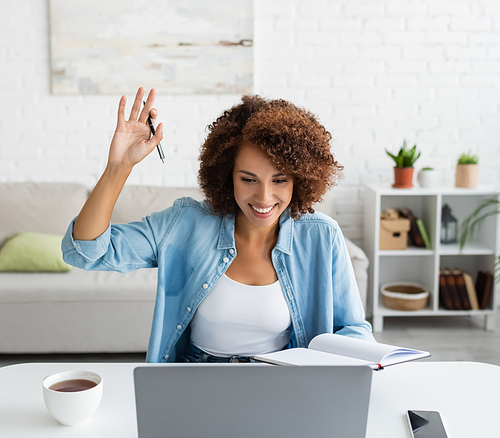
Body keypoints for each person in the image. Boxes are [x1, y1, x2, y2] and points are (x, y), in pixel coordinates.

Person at [62, 87, 374, 363]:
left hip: (280, 379)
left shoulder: (321, 235)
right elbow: (86, 253)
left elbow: (353, 329)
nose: (264, 197)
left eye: (279, 180)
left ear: (300, 179)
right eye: (248, 179)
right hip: (196, 380)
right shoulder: (186, 224)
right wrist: (119, 167)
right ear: (227, 176)